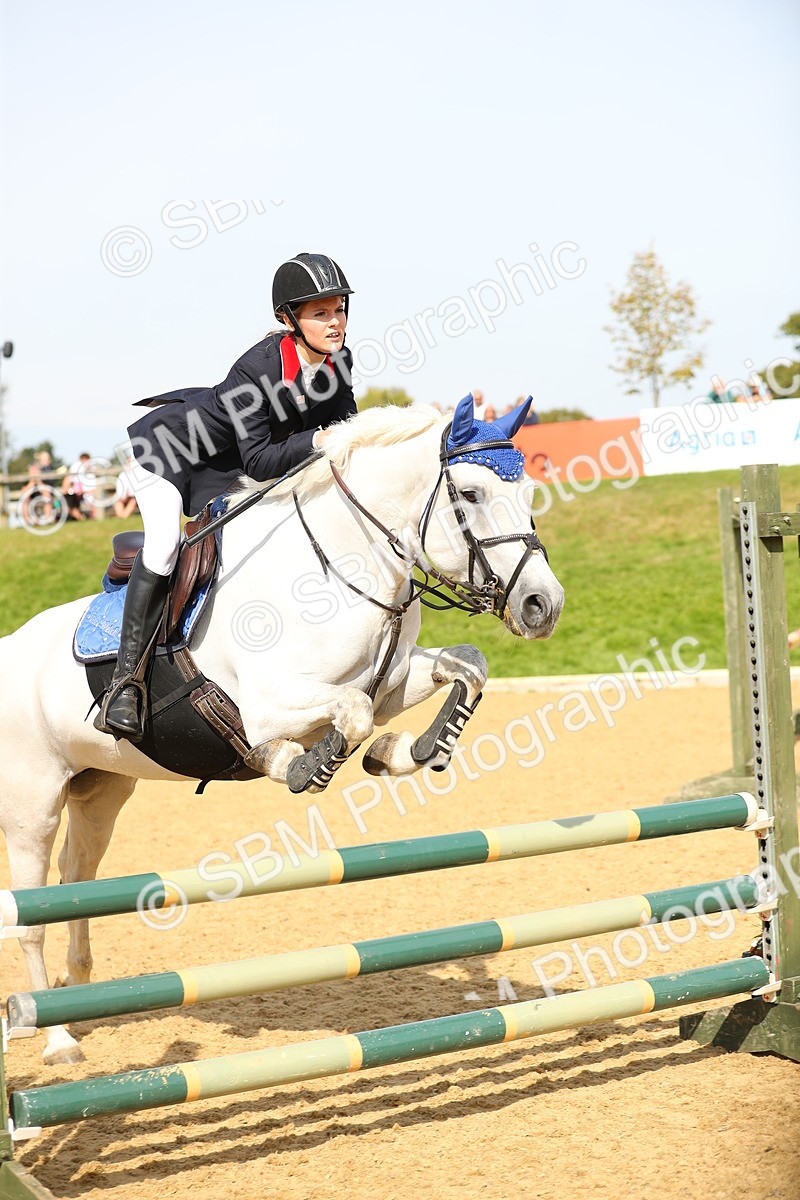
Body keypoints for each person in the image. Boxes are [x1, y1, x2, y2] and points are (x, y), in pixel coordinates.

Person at [95, 251, 356, 743]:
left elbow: (347, 426)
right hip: (172, 450)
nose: (335, 321)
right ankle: (125, 684)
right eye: (320, 313)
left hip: (231, 461)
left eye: (338, 309)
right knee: (165, 548)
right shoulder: (256, 368)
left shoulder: (337, 361)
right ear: (287, 319)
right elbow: (260, 460)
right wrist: (321, 441)